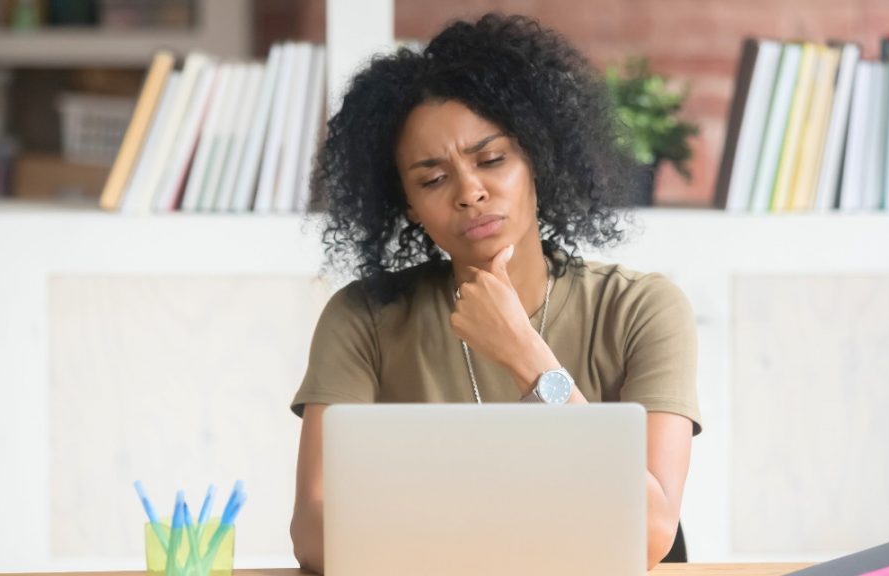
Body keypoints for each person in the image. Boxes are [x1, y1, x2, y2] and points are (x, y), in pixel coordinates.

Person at [288, 13, 702, 574]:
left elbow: (652, 532)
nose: (470, 192)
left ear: (536, 156)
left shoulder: (641, 309)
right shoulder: (364, 319)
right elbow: (314, 534)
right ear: (407, 205)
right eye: (433, 179)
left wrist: (525, 356)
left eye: (492, 159)